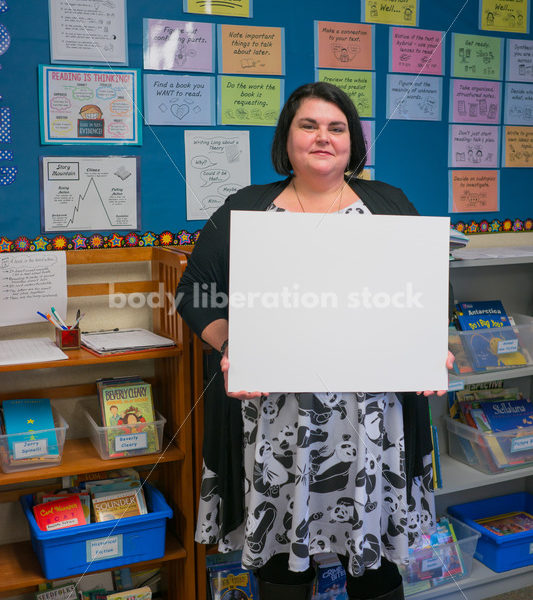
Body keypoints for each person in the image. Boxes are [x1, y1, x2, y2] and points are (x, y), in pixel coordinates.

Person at [176, 82, 453, 600]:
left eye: (336, 127)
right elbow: (196, 291)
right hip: (281, 415)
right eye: (309, 125)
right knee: (283, 554)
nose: (322, 137)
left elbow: (433, 287)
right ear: (287, 139)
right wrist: (231, 346)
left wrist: (430, 344)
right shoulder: (247, 208)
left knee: (373, 559)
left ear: (353, 142)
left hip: (372, 417)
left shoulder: (388, 204)